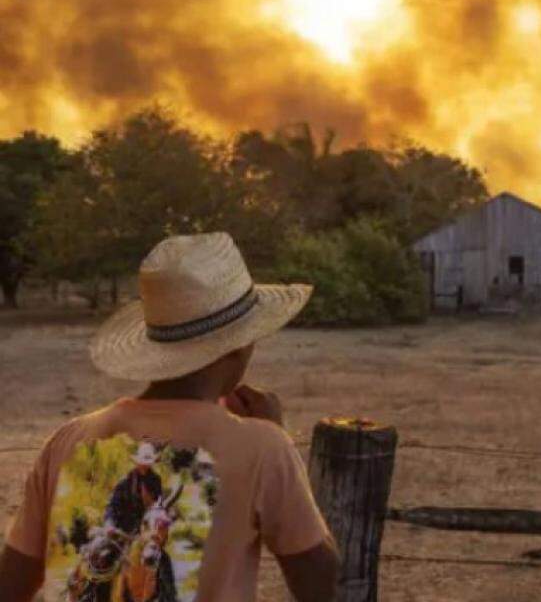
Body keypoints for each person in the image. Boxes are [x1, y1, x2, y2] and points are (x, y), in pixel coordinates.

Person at [0, 232, 340, 602]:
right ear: (243, 342)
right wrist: (277, 436)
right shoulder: (261, 446)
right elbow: (319, 583)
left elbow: (11, 584)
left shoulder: (69, 439)